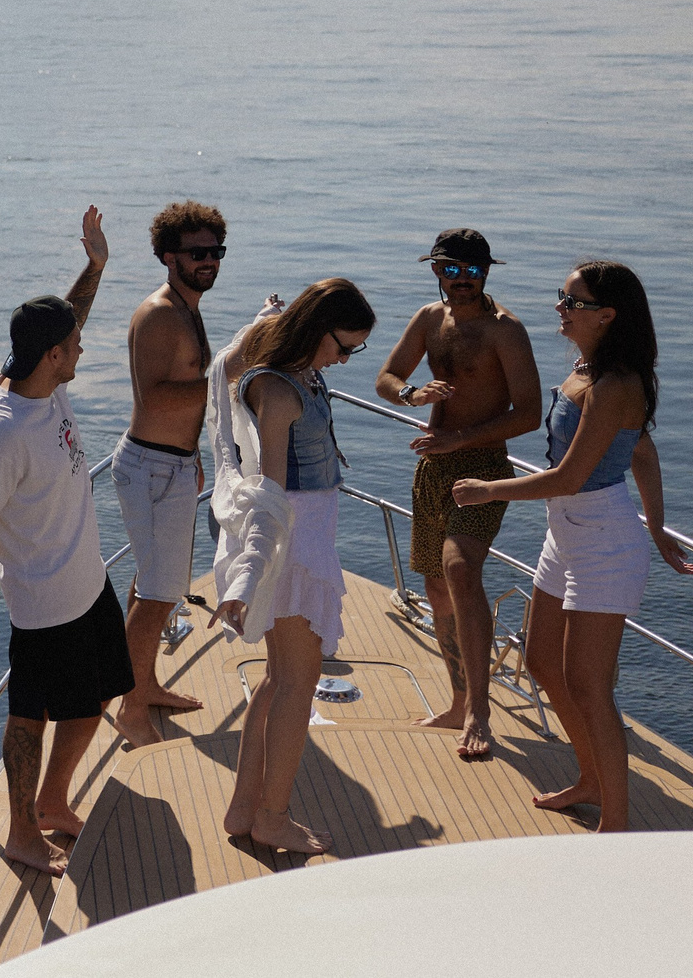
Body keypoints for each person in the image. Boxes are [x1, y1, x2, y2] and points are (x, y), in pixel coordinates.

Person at [451, 261, 693, 830]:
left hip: (603, 542)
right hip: (566, 535)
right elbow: (639, 452)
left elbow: (569, 476)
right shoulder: (588, 369)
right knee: (540, 660)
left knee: (590, 686)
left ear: (607, 316)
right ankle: (590, 776)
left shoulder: (617, 386)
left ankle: (616, 821)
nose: (560, 308)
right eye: (561, 296)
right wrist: (657, 526)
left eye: (572, 301)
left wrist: (490, 490)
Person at [0, 206, 138, 876]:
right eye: (75, 346)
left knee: (98, 696)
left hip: (89, 583)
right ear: (52, 356)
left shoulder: (37, 376)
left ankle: (54, 800)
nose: (83, 350)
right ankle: (23, 829)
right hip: (44, 605)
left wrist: (96, 264)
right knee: (30, 721)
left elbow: (70, 315)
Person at [209, 278, 375, 856]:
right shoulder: (278, 391)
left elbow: (228, 364)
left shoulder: (295, 369)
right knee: (298, 686)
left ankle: (243, 805)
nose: (345, 360)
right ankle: (273, 817)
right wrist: (245, 580)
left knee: (280, 679)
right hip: (295, 550)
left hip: (305, 541)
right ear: (314, 332)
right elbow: (269, 498)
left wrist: (264, 320)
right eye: (343, 347)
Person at [373, 228, 541, 761]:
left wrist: (458, 439)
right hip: (432, 467)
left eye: (472, 271)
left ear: (487, 272)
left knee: (461, 569)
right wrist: (411, 393)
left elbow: (530, 413)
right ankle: (456, 700)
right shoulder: (429, 319)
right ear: (436, 270)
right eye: (451, 270)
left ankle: (479, 712)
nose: (461, 280)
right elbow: (387, 374)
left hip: (480, 464)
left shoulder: (505, 331)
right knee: (438, 586)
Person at [110, 200, 227, 743]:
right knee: (158, 594)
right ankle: (131, 711)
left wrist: (194, 451)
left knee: (151, 585)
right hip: (152, 468)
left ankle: (145, 684)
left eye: (215, 251)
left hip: (173, 464)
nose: (209, 261)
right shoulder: (159, 313)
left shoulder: (188, 307)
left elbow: (178, 398)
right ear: (167, 256)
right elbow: (153, 394)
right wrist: (229, 374)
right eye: (197, 253)